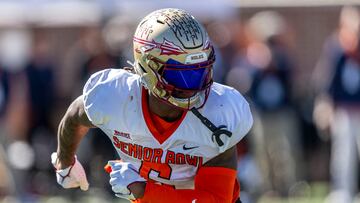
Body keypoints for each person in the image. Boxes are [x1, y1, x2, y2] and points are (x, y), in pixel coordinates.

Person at [51, 8, 253, 203]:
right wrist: (65, 162)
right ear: (147, 68)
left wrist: (143, 190)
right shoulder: (115, 96)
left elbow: (215, 200)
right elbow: (74, 116)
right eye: (180, 74)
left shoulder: (221, 113)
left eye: (200, 72)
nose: (193, 87)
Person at [312, 6, 360, 203]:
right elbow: (325, 80)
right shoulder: (336, 46)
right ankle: (342, 191)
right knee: (343, 154)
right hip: (343, 110)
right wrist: (325, 105)